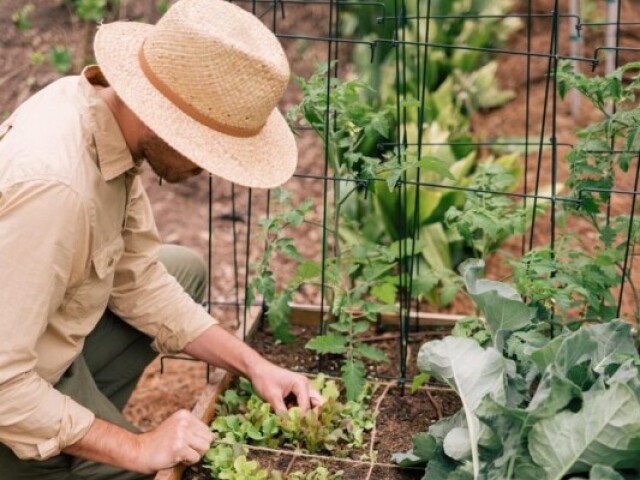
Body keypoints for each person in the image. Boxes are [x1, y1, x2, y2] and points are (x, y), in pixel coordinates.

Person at [0, 0, 322, 478]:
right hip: (10, 394)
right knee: (155, 469)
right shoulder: (57, 190)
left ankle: (71, 426)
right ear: (159, 114)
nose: (211, 167)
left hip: (40, 345)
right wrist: (137, 449)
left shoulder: (101, 117)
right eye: (207, 148)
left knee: (180, 267)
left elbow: (139, 279)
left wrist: (255, 366)